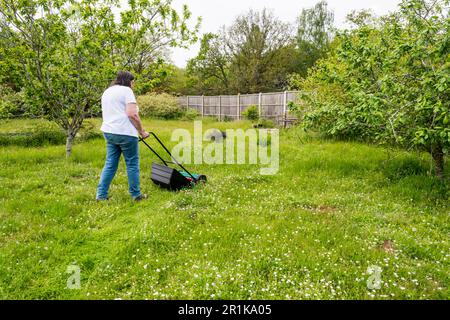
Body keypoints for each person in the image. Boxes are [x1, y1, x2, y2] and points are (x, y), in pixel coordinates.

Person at [96, 71, 150, 201]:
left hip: (109, 132)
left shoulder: (107, 91)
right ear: (128, 81)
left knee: (110, 163)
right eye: (133, 82)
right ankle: (136, 195)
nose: (133, 84)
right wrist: (142, 131)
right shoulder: (127, 91)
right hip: (125, 133)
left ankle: (101, 195)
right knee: (132, 164)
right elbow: (132, 114)